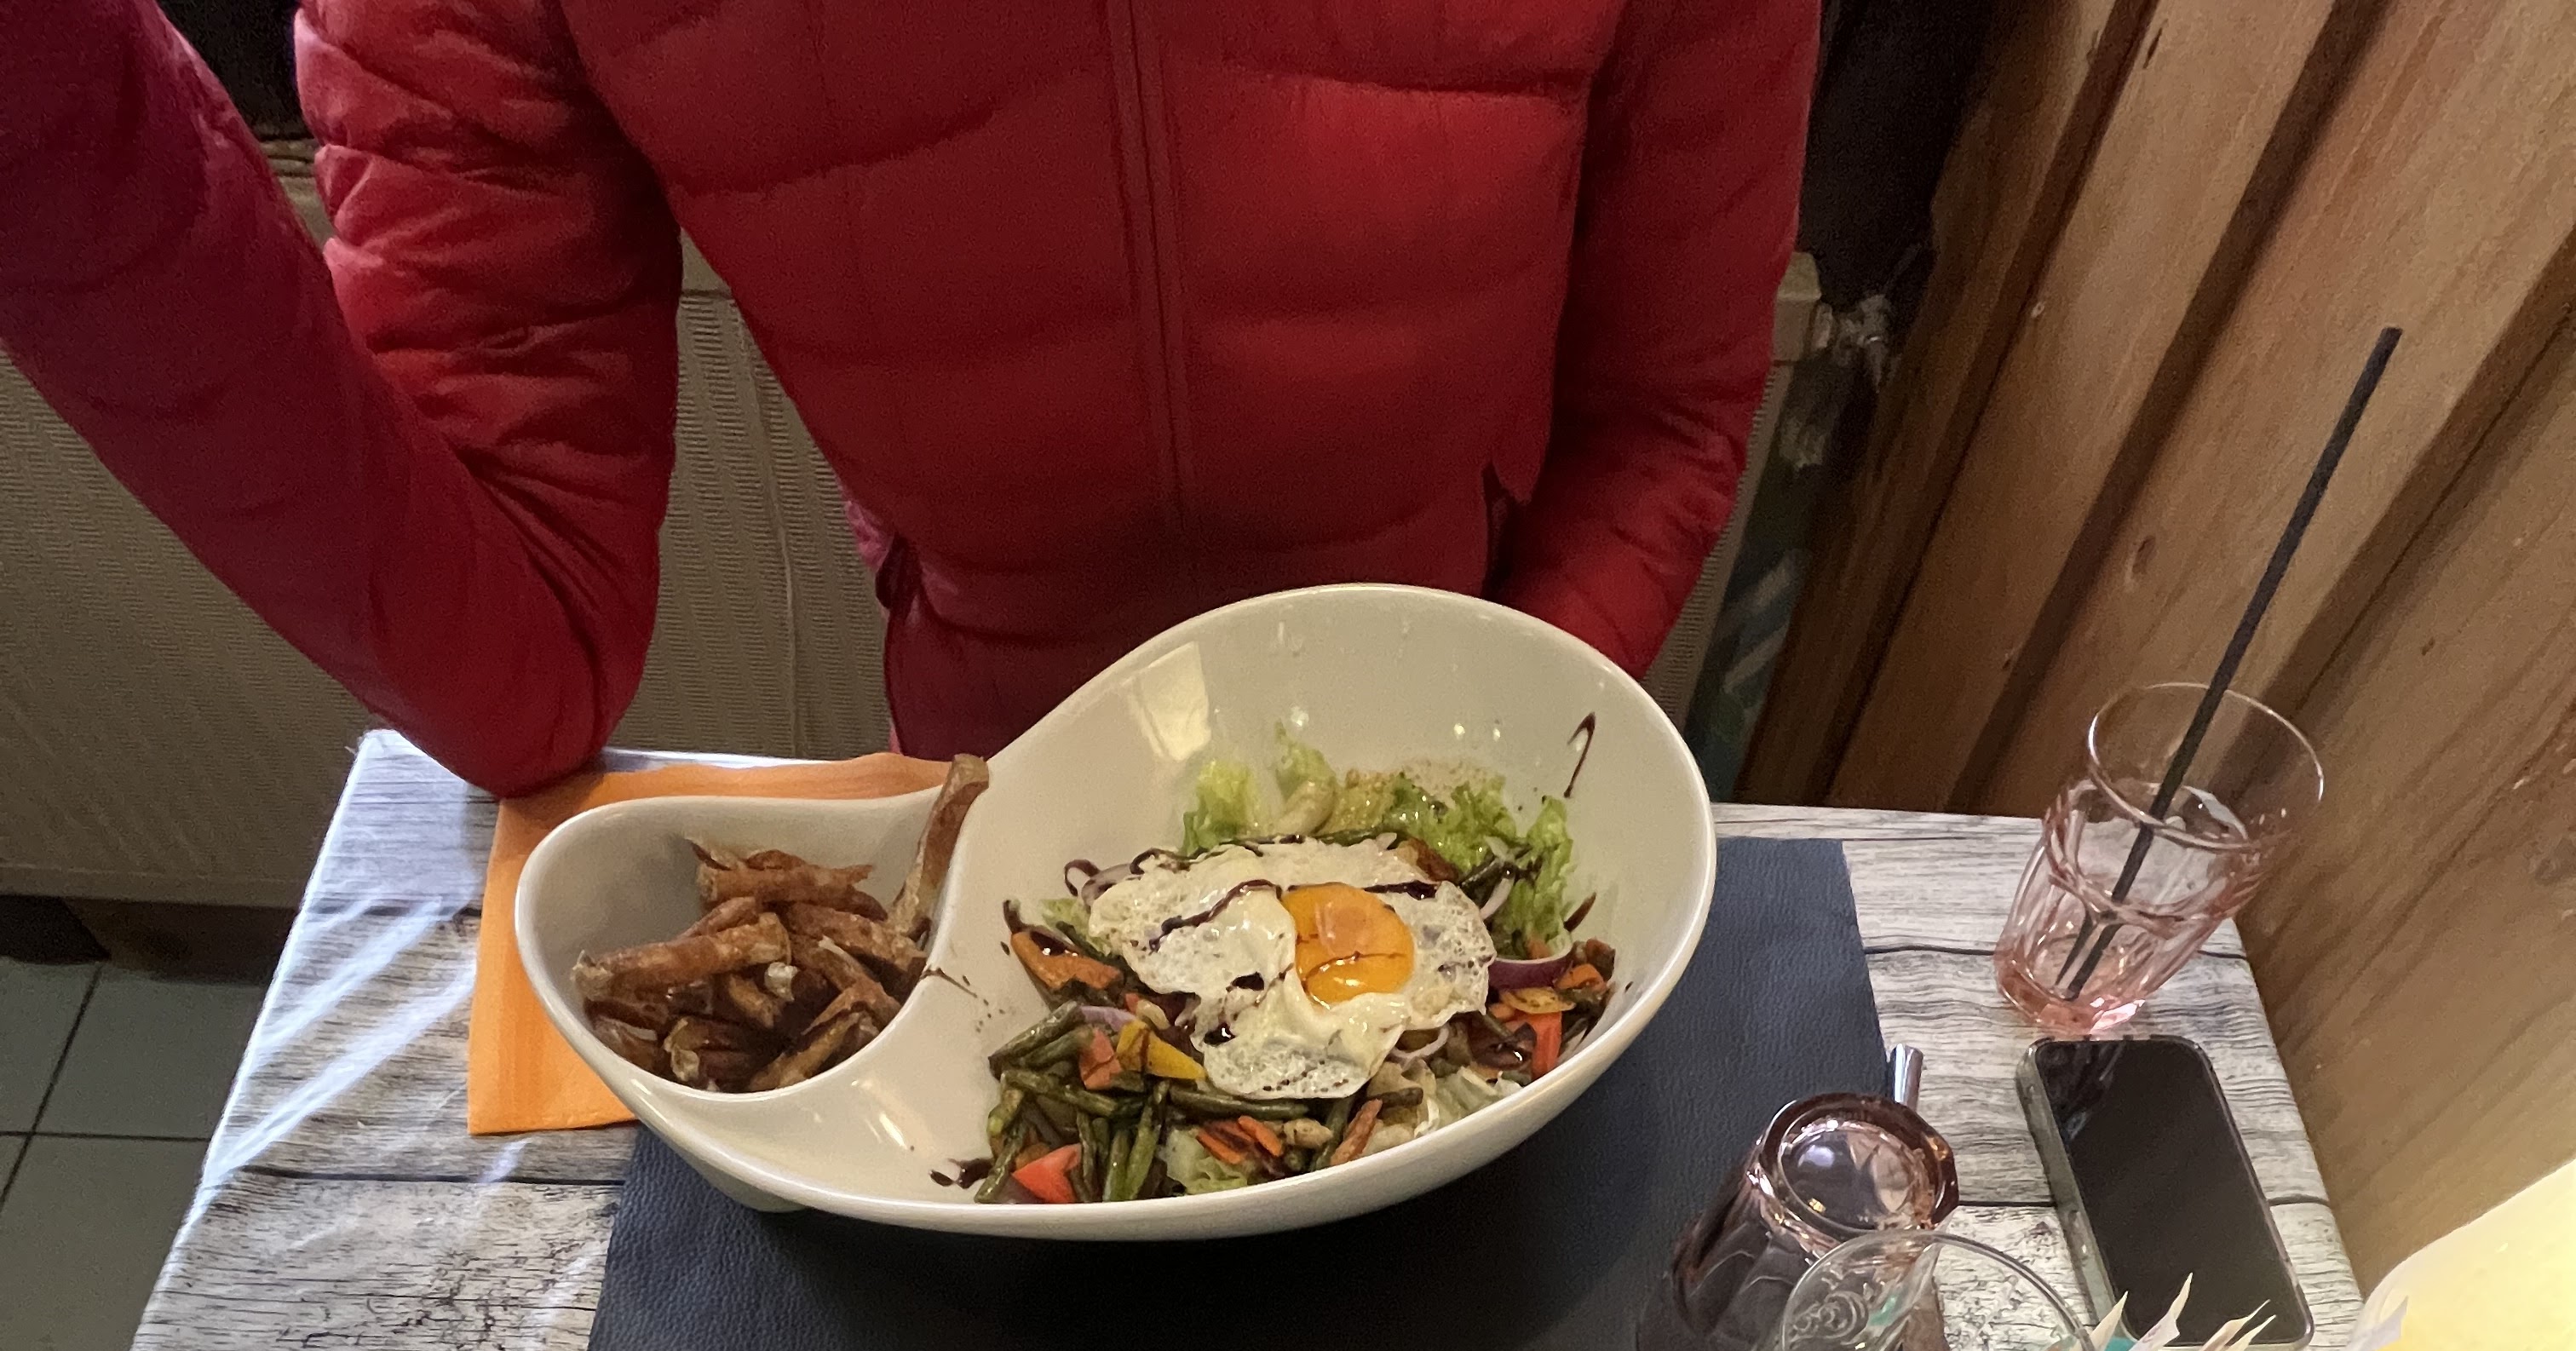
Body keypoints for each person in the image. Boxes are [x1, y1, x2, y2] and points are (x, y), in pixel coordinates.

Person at [0, 0, 1815, 789]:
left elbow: (1662, 412)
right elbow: (522, 662)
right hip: (981, 795)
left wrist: (1477, 798)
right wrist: (67, 142)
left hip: (1472, 747)